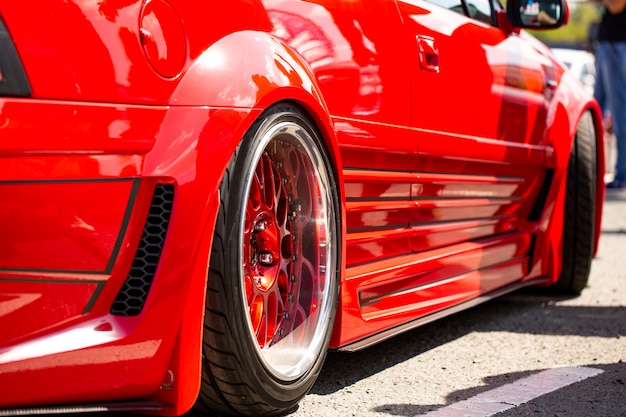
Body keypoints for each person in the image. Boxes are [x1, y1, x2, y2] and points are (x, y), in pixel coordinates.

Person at [593, 0, 626, 188]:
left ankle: (622, 174)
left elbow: (617, 4)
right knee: (595, 109)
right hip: (607, 42)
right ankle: (592, 170)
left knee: (620, 110)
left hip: (619, 44)